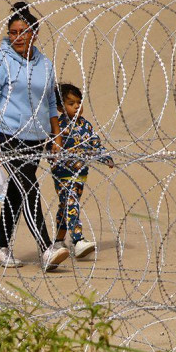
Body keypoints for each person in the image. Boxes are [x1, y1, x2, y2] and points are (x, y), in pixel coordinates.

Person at [0, 1, 66, 272]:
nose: (17, 37)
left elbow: (51, 102)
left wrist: (56, 136)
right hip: (8, 134)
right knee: (29, 188)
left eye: (23, 32)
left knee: (17, 192)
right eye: (12, 32)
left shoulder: (46, 64)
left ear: (34, 34)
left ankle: (0, 249)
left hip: (37, 137)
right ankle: (46, 247)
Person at [50, 82, 113, 261]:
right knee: (71, 204)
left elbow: (95, 145)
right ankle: (78, 240)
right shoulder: (58, 127)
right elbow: (50, 148)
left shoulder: (86, 125)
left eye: (79, 102)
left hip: (81, 174)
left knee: (66, 206)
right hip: (63, 174)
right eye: (71, 103)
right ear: (61, 107)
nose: (77, 106)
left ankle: (58, 241)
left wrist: (105, 157)